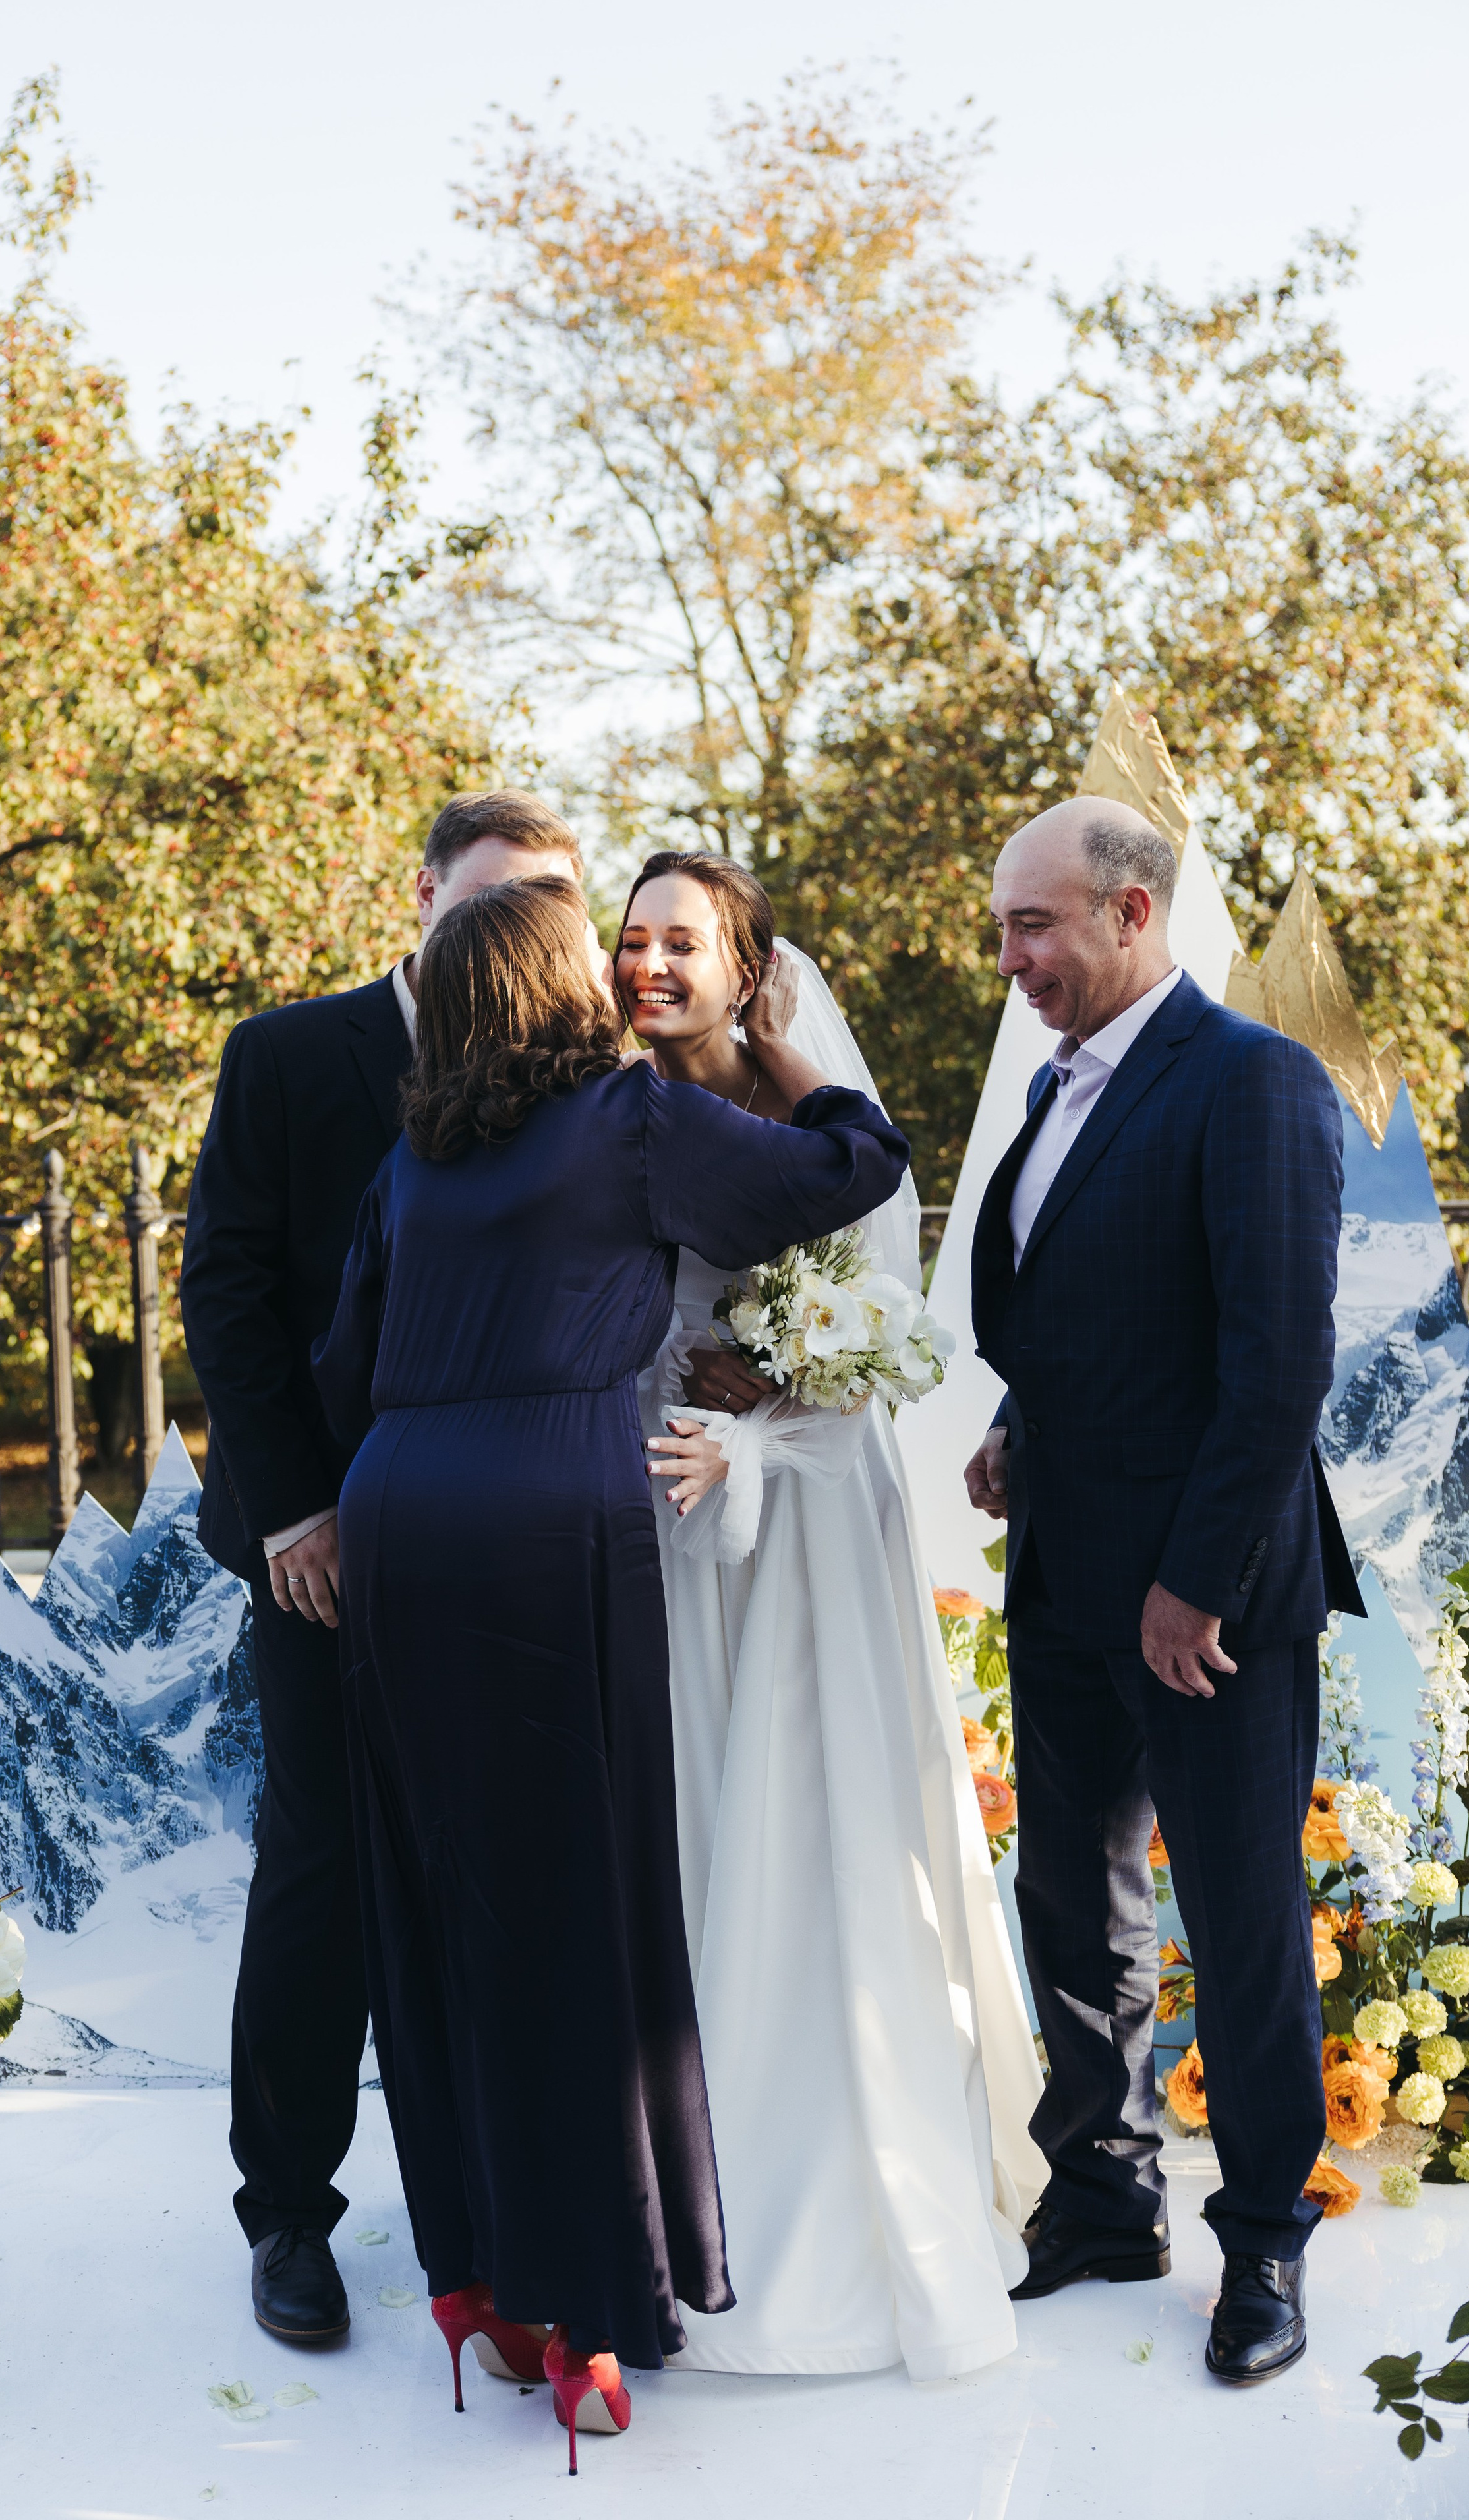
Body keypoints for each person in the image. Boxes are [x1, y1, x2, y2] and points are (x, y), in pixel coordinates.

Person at [311, 875, 909, 2468]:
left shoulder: (409, 1162)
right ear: (555, 992)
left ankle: (479, 2286)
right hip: (542, 1527)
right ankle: (588, 2313)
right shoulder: (625, 1125)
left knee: (435, 1909)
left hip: (398, 1521)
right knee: (570, 1919)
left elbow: (339, 1363)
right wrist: (796, 1059)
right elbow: (853, 1170)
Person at [616, 851, 1045, 2383]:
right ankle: (680, 2183)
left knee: (822, 1824)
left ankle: (853, 2178)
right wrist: (683, 1390)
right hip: (678, 1516)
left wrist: (788, 1384)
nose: (648, 964)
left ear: (745, 968)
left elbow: (880, 1319)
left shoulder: (821, 1117)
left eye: (683, 943)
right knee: (696, 1823)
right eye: (631, 939)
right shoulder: (606, 1114)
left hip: (810, 1515)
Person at [963, 796, 1364, 2386]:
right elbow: (1094, 1303)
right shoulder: (1064, 1086)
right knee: (1072, 1900)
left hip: (1208, 1598)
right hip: (1063, 1569)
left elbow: (1277, 1368)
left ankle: (1262, 2246)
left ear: (1133, 913)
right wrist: (1014, 1424)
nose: (1011, 960)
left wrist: (1190, 1585)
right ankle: (1100, 2200)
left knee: (1244, 1921)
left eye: (1034, 925)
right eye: (1004, 927)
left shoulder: (1254, 1083)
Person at [179, 790, 584, 2345]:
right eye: (488, 896)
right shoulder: (288, 1057)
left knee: (492, 1868)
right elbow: (225, 1293)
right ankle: (286, 2211)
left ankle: (480, 2214)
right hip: (323, 1552)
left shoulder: (575, 1074)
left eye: (544, 899)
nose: (513, 927)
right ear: (421, 896)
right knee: (325, 1866)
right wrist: (293, 1514)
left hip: (510, 1551)